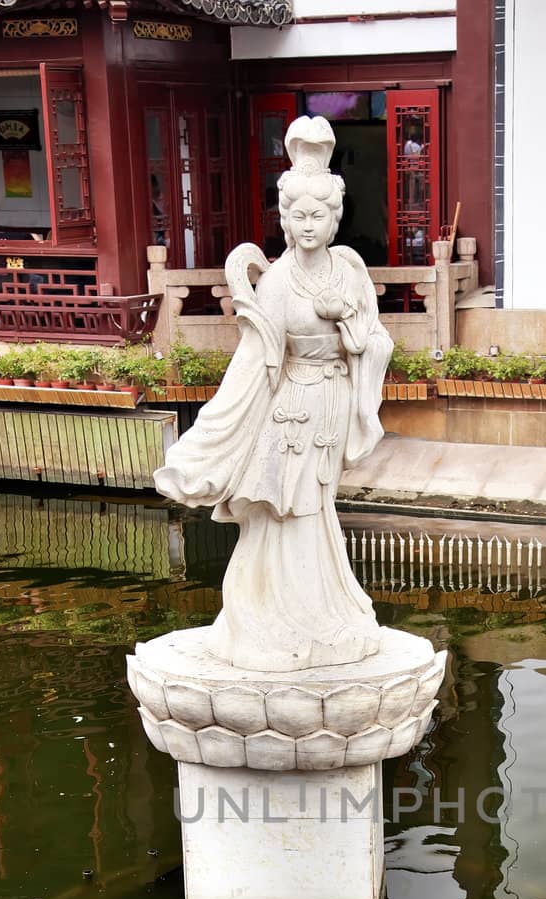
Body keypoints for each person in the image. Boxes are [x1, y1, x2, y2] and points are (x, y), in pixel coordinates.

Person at [153, 115, 392, 672]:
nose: (308, 226)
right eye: (297, 215)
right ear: (284, 219)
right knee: (288, 510)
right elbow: (255, 360)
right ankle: (272, 615)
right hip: (293, 411)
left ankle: (326, 608)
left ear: (335, 217)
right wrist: (208, 437)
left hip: (334, 402)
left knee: (320, 506)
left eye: (318, 215)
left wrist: (352, 326)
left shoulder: (350, 267)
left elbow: (376, 340)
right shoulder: (280, 280)